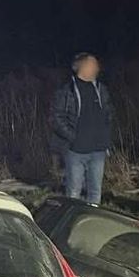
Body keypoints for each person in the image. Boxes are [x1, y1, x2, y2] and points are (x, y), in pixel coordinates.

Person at [49, 53, 114, 205]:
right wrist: (73, 137)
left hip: (98, 149)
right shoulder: (67, 91)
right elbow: (56, 118)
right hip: (75, 151)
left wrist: (105, 135)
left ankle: (92, 216)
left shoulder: (101, 89)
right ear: (83, 67)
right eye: (94, 65)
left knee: (95, 191)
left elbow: (109, 112)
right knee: (73, 191)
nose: (97, 68)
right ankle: (71, 217)